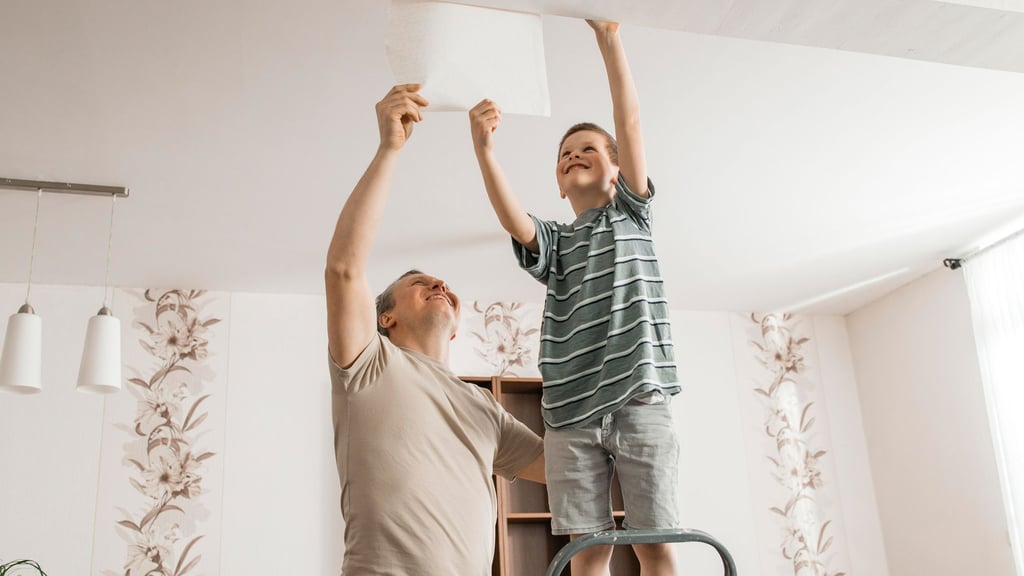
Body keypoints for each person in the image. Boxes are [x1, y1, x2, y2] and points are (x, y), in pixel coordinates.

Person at [469, 20, 681, 576]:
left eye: (589, 149)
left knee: (653, 542)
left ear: (617, 172)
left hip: (638, 398)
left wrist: (609, 38)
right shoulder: (557, 244)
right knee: (585, 552)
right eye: (565, 155)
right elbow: (513, 219)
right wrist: (485, 150)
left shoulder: (630, 214)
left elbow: (629, 122)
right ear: (560, 185)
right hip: (568, 416)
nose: (574, 155)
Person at [326, 84, 545, 575]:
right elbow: (343, 269)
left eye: (442, 283)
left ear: (454, 331)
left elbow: (562, 468)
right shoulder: (369, 364)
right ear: (386, 318)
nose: (439, 283)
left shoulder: (483, 407)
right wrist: (389, 149)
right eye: (419, 283)